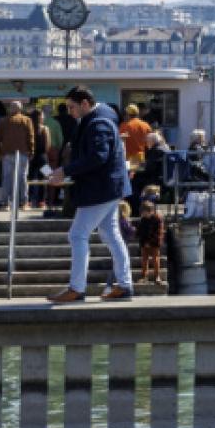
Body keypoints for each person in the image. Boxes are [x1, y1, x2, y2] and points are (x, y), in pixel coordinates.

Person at [48, 86, 135, 302]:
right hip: (110, 187)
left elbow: (98, 157)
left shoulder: (98, 124)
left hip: (100, 189)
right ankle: (124, 285)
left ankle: (77, 288)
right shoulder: (103, 117)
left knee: (77, 234)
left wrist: (65, 171)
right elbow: (98, 157)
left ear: (85, 104)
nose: (69, 112)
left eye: (72, 107)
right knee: (111, 234)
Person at [0, 101, 36, 211]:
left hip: (7, 153)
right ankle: (24, 203)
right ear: (20, 109)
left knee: (7, 178)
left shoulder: (3, 121)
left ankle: (5, 203)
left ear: (10, 109)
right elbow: (31, 137)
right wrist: (31, 151)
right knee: (22, 178)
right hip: (23, 153)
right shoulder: (27, 120)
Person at [135, 194, 165, 285]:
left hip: (154, 243)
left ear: (151, 211)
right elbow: (140, 231)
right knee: (144, 259)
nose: (144, 215)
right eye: (143, 213)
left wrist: (150, 242)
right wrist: (139, 237)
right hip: (144, 243)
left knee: (155, 259)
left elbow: (159, 232)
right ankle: (144, 276)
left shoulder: (157, 219)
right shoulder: (143, 219)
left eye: (146, 213)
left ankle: (157, 276)